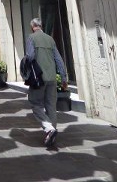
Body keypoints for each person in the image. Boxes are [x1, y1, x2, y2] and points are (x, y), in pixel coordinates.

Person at [25, 17, 67, 148]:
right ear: (41, 26)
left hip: (39, 79)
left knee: (35, 104)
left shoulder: (31, 38)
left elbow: (31, 56)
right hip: (52, 78)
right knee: (51, 106)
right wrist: (64, 78)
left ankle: (49, 129)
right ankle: (51, 137)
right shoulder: (50, 39)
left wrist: (25, 63)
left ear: (32, 27)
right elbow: (58, 59)